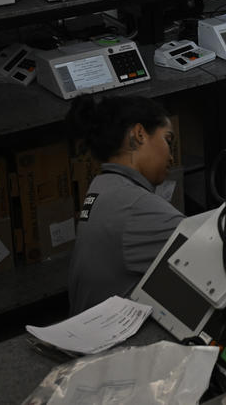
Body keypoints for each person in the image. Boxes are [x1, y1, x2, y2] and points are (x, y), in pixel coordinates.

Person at [67, 95, 182, 314]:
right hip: (113, 341)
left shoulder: (103, 186)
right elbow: (211, 253)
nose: (171, 157)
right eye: (168, 140)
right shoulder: (134, 205)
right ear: (139, 134)